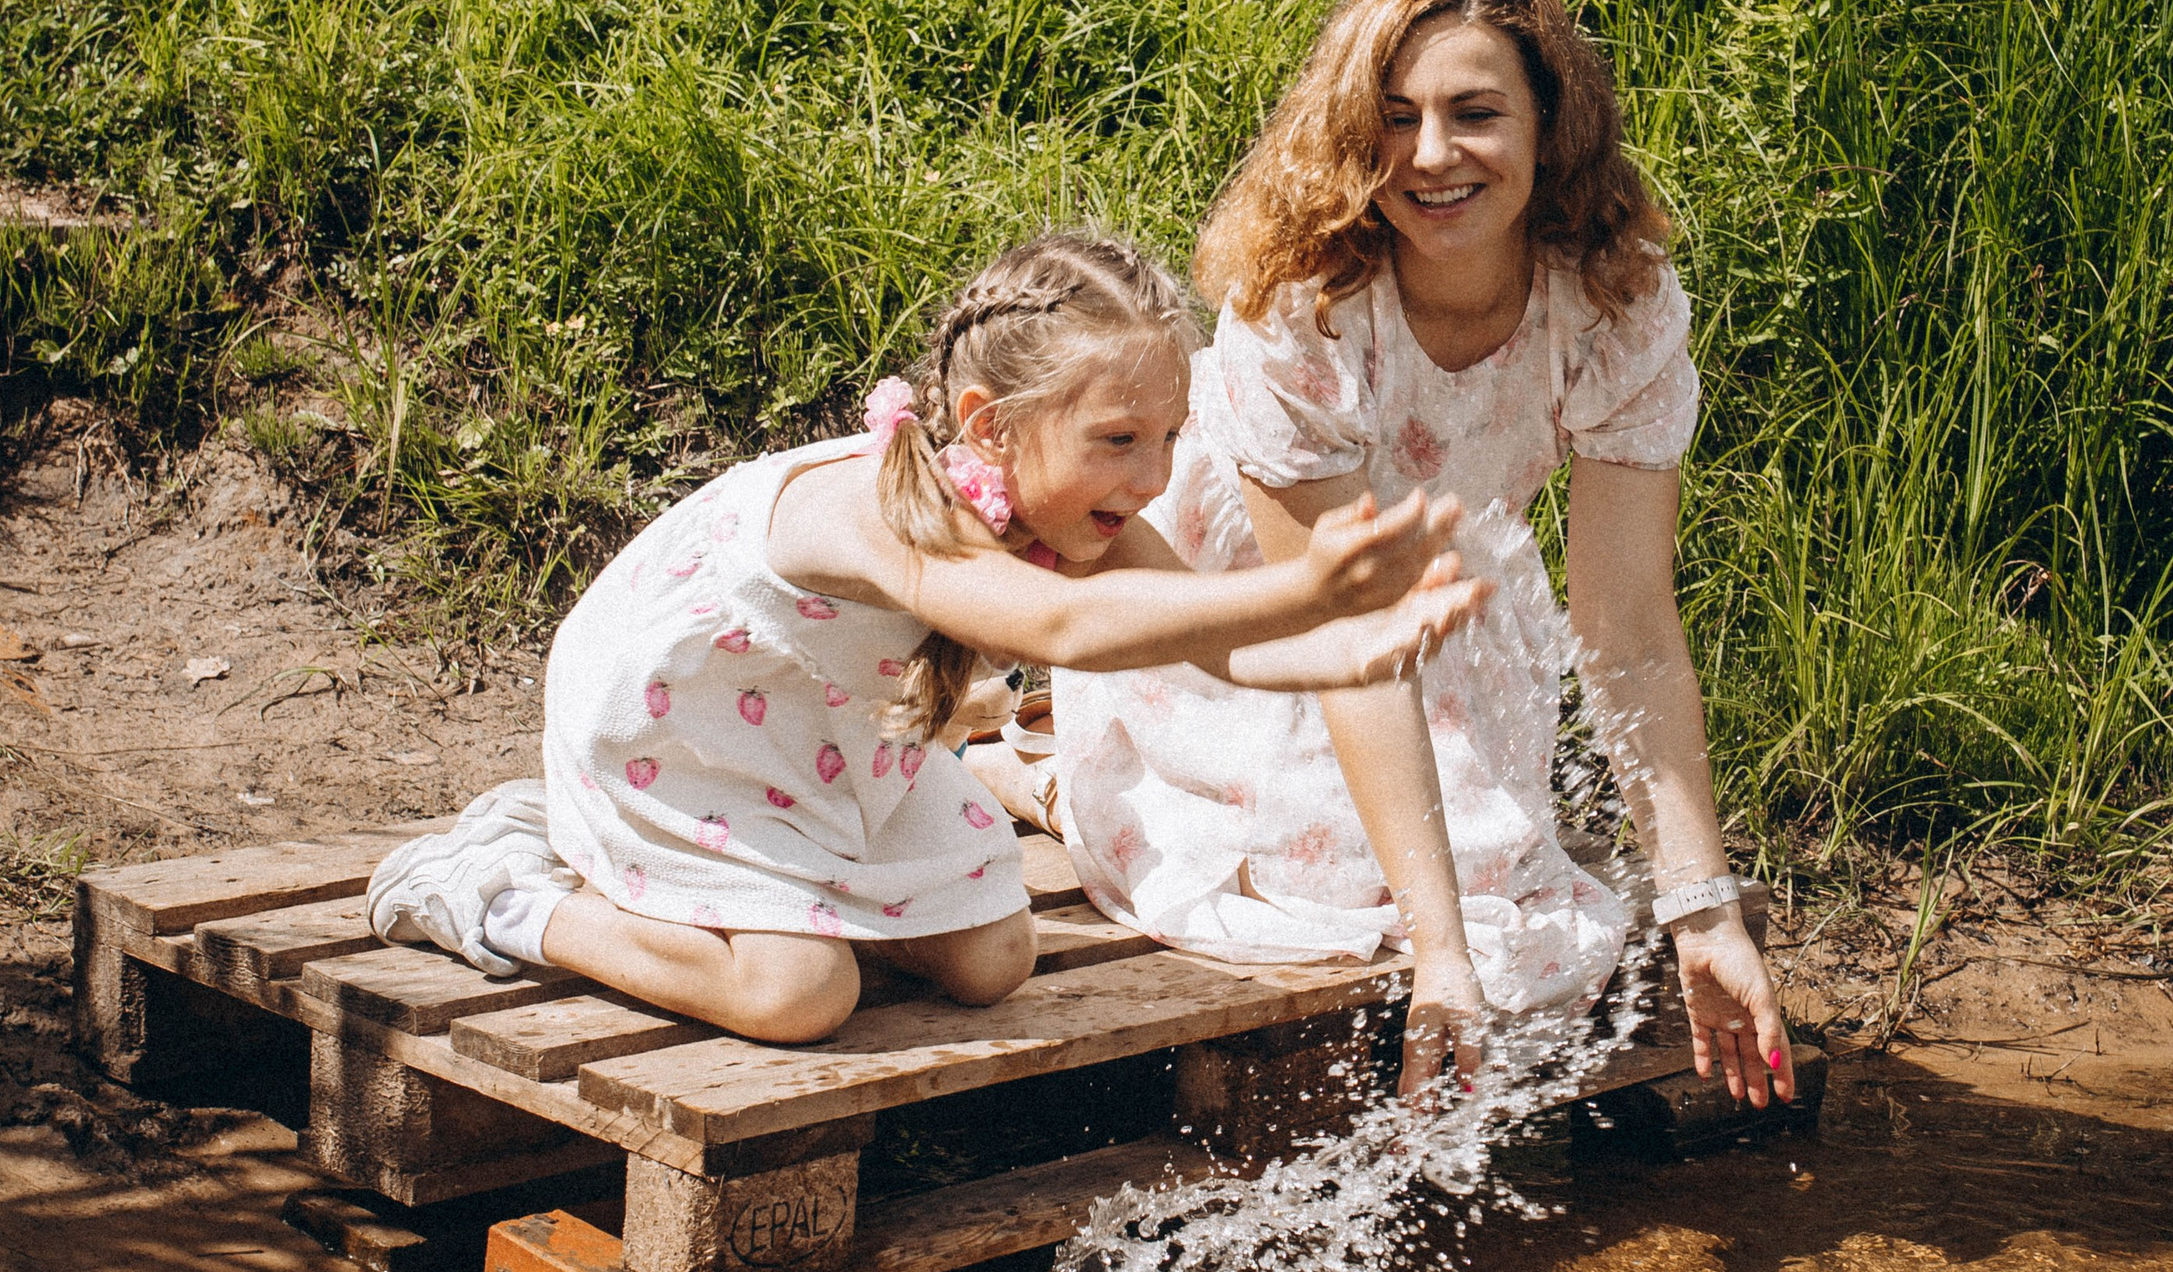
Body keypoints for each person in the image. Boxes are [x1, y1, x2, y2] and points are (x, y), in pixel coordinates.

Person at [364, 232, 1485, 1045]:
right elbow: (1061, 627)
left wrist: (1351, 644)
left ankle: (758, 898)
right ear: (993, 426)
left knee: (993, 961)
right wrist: (1306, 587)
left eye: (1170, 439)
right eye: (1118, 438)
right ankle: (502, 892)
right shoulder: (880, 509)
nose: (1151, 477)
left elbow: (1206, 647)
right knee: (795, 996)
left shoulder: (1062, 506)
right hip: (684, 751)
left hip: (824, 753)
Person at [1028, 0, 1793, 1109]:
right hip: (1262, 607)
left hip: (1442, 594)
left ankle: (1035, 755)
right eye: (1393, 121)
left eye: (1474, 114)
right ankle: (1050, 769)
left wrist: (1701, 907)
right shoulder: (1303, 301)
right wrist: (1440, 955)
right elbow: (1339, 637)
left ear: (1551, 126)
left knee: (1499, 887)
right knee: (1338, 886)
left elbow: (1628, 628)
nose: (1431, 157)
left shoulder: (1615, 306)